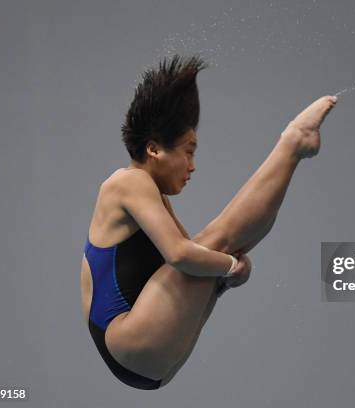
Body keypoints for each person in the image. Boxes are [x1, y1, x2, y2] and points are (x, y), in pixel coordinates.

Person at [80, 55, 337, 389]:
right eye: (188, 151)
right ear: (154, 149)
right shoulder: (128, 182)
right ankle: (293, 143)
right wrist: (230, 267)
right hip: (128, 339)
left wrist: (224, 277)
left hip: (142, 357)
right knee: (217, 242)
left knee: (215, 249)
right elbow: (180, 255)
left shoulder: (152, 194)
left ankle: (294, 146)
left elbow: (196, 262)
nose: (193, 165)